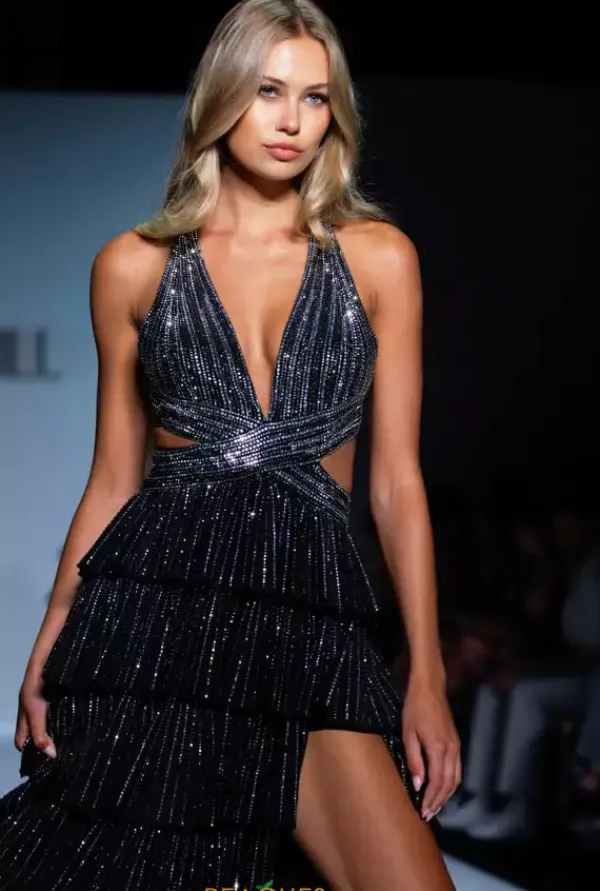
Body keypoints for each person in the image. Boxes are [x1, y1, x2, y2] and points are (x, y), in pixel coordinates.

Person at [0, 1, 460, 888]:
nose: (292, 121)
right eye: (267, 91)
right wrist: (51, 639)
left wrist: (426, 674)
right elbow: (114, 479)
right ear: (222, 98)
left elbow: (398, 484)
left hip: (306, 625)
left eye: (315, 98)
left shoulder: (379, 259)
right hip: (159, 630)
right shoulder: (132, 266)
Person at [439, 507, 600, 840]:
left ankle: (513, 804)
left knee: (526, 692)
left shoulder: (590, 573)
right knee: (494, 688)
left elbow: (588, 657)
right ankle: (478, 795)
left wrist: (528, 669)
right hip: (570, 672)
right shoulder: (563, 571)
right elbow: (550, 637)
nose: (558, 530)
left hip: (590, 682)